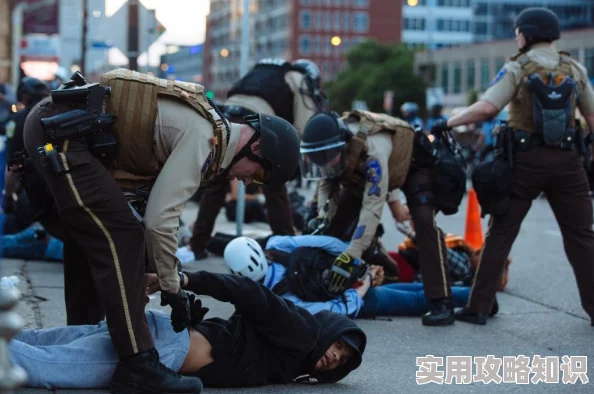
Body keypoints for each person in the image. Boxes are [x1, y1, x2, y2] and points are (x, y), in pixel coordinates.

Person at [18, 69, 300, 393]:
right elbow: (158, 221)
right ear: (257, 146)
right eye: (260, 175)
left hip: (57, 128)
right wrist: (173, 289)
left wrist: (165, 273)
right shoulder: (204, 139)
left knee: (98, 236)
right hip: (62, 134)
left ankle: (85, 335)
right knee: (123, 236)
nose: (250, 182)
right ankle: (137, 363)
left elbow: (146, 212)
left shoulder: (211, 136)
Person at [432, 7, 594, 326]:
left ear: (527, 34)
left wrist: (448, 122)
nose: (516, 37)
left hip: (525, 162)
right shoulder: (574, 68)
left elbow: (488, 107)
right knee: (582, 238)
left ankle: (479, 307)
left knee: (501, 233)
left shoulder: (518, 66)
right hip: (569, 162)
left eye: (518, 32)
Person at [8, 270, 366, 390]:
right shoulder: (302, 330)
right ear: (329, 330)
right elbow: (249, 290)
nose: (335, 357)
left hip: (164, 334)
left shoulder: (292, 356)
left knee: (36, 342)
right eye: (339, 346)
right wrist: (183, 279)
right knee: (46, 367)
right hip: (164, 351)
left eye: (343, 360)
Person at [300, 109, 466, 326]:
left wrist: (352, 253)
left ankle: (442, 301)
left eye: (327, 157)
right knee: (333, 223)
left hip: (411, 166)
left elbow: (372, 208)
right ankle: (329, 282)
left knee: (424, 224)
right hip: (362, 174)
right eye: (318, 158)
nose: (324, 162)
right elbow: (326, 183)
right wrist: (321, 215)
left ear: (343, 145)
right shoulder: (331, 148)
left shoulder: (372, 151)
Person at [190, 58, 326, 259]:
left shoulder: (264, 69)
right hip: (255, 125)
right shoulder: (299, 78)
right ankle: (284, 244)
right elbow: (303, 127)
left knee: (216, 185)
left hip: (226, 118)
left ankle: (197, 244)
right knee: (274, 183)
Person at [224, 235, 472, 319]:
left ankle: (475, 299)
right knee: (420, 288)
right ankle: (476, 296)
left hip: (360, 297)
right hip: (350, 274)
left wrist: (361, 290)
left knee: (418, 301)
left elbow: (332, 310)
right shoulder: (278, 245)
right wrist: (359, 266)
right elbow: (329, 243)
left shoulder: (278, 299)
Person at [2, 78, 53, 234]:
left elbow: (13, 164)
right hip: (61, 191)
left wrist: (8, 196)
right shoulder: (56, 118)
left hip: (30, 194)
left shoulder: (17, 121)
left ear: (23, 96)